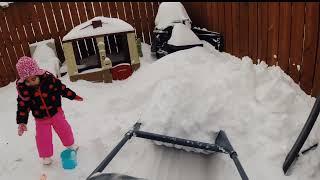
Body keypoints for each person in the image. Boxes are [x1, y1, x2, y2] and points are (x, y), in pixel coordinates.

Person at [15, 56, 83, 165]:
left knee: (64, 129)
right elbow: (22, 106)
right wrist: (22, 121)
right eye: (28, 81)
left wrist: (73, 96)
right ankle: (46, 156)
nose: (31, 82)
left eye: (33, 78)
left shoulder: (49, 80)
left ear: (37, 73)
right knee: (43, 138)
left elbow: (62, 88)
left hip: (55, 112)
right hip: (40, 118)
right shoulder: (24, 90)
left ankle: (70, 144)